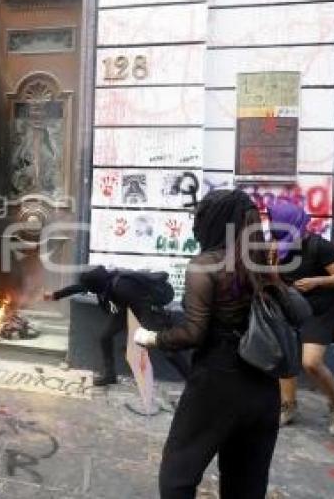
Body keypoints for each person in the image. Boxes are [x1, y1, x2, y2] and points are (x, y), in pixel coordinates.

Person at [133, 189, 279, 499]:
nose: (195, 227)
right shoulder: (262, 264)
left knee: (177, 476)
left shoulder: (205, 266)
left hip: (217, 381)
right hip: (264, 386)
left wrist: (152, 337)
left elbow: (193, 333)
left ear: (213, 223)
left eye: (199, 219)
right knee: (246, 483)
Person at [268, 201, 334, 436]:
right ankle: (288, 405)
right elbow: (273, 279)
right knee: (285, 358)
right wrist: (272, 261)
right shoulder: (277, 243)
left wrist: (317, 281)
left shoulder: (321, 247)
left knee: (311, 362)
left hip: (319, 309)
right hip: (290, 307)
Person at [45, 266, 187, 385]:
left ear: (97, 286)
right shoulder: (102, 280)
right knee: (105, 337)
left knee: (166, 346)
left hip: (149, 309)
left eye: (91, 289)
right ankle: (110, 375)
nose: (89, 291)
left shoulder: (122, 287)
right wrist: (55, 295)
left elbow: (144, 309)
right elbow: (79, 287)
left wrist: (143, 337)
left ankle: (190, 377)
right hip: (127, 307)